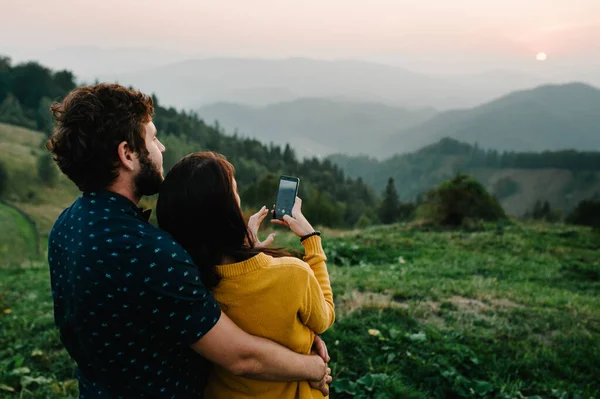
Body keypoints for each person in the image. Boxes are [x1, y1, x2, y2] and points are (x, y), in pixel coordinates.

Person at [45, 83, 331, 398]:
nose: (162, 147)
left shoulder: (67, 224)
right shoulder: (150, 253)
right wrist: (314, 366)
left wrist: (294, 334)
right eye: (152, 138)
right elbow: (242, 357)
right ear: (127, 154)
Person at [155, 152, 335, 398]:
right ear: (226, 211)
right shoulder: (294, 274)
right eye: (235, 194)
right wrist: (311, 241)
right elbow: (324, 317)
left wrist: (245, 248)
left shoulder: (187, 284)